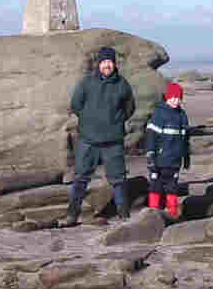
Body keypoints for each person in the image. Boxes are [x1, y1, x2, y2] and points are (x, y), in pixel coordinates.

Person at [61, 46, 136, 226]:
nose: (107, 65)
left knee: (118, 179)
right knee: (80, 178)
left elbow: (129, 108)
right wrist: (89, 121)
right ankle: (72, 215)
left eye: (109, 62)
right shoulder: (87, 83)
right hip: (89, 140)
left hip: (113, 141)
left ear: (114, 64)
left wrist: (115, 122)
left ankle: (124, 215)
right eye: (104, 62)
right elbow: (76, 104)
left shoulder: (122, 84)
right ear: (98, 64)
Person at [145, 82, 190, 219]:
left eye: (178, 98)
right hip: (159, 159)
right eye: (172, 98)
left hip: (174, 161)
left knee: (172, 188)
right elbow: (151, 136)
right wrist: (150, 155)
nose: (175, 101)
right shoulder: (159, 114)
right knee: (155, 186)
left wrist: (186, 156)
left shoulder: (182, 115)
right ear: (167, 98)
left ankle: (172, 213)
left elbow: (185, 139)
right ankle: (152, 214)